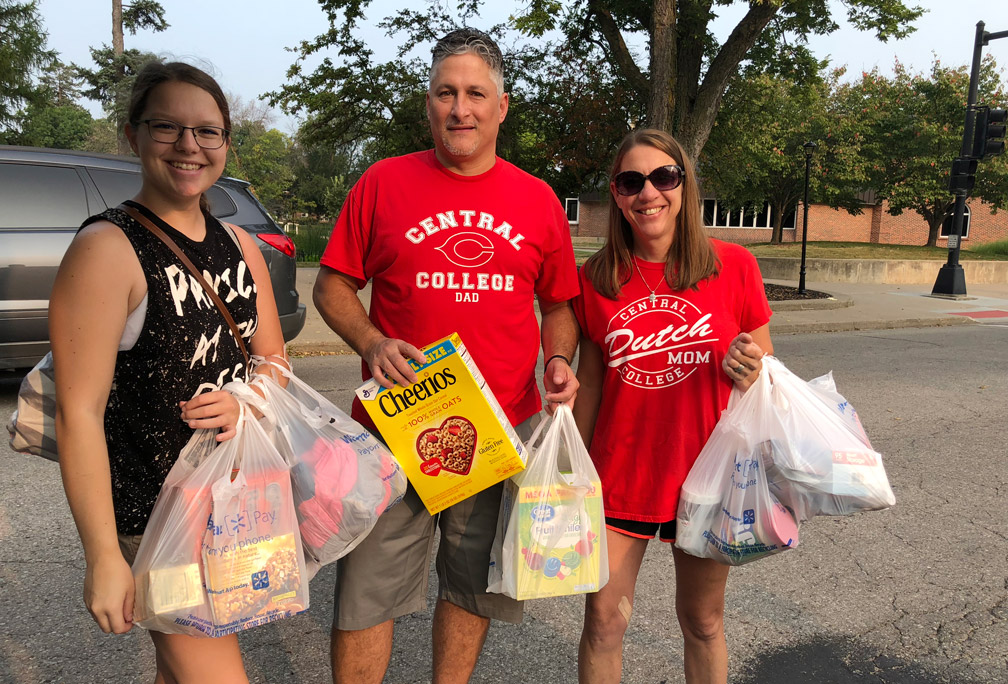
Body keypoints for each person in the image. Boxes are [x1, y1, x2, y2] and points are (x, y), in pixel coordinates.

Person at [313, 27, 581, 684]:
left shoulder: (538, 199)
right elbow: (332, 285)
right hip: (396, 428)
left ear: (501, 107)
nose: (460, 108)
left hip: (497, 428)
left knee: (472, 587)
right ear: (428, 103)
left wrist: (558, 360)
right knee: (366, 594)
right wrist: (371, 341)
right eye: (445, 93)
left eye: (474, 94)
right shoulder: (383, 183)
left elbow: (560, 306)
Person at [49, 61, 288, 683]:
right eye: (167, 128)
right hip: (154, 518)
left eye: (208, 132)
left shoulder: (240, 245)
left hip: (234, 507)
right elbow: (78, 411)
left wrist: (250, 402)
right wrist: (103, 554)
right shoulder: (109, 247)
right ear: (133, 136)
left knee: (178, 672)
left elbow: (274, 363)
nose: (189, 146)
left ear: (226, 143)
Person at [571, 129, 773, 684]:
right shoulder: (594, 279)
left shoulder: (733, 267)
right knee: (603, 622)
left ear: (684, 185)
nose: (648, 193)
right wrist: (573, 468)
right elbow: (590, 381)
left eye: (663, 177)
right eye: (631, 181)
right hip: (620, 470)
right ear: (615, 194)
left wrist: (750, 368)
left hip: (707, 475)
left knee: (703, 621)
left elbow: (767, 373)